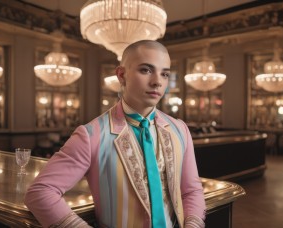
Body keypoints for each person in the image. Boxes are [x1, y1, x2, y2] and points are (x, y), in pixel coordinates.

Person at [24, 40, 206, 228]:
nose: (157, 81)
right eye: (146, 70)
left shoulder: (179, 130)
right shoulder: (91, 135)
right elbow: (40, 192)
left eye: (165, 74)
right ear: (121, 75)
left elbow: (191, 190)